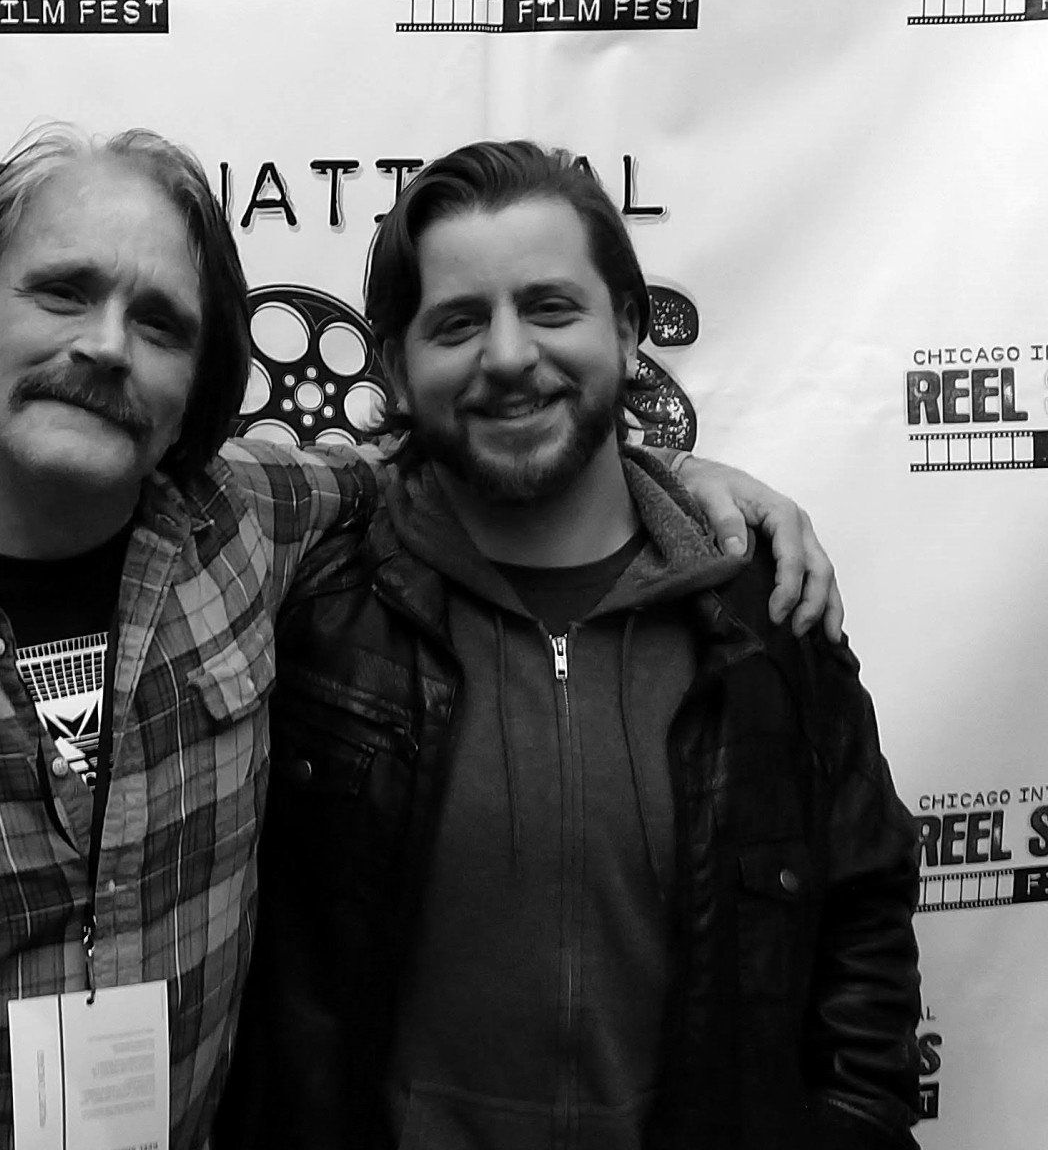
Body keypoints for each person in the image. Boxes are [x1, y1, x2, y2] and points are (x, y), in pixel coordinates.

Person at [0, 124, 839, 1150]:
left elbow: (498, 448)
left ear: (197, 384)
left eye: (159, 323)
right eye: (64, 294)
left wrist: (698, 483)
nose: (105, 346)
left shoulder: (242, 529)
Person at [215, 141, 921, 1149]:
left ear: (629, 330)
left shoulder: (762, 612)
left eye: (551, 308)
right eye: (458, 323)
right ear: (397, 371)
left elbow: (863, 913)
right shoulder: (312, 612)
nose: (508, 355)